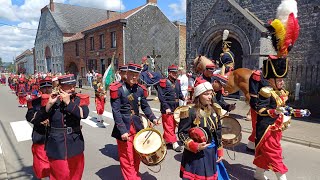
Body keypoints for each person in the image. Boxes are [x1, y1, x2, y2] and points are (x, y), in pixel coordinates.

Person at [110, 63, 159, 180]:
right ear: (126, 74)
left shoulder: (140, 89)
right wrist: (122, 130)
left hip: (137, 126)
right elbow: (116, 112)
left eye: (136, 74)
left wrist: (153, 118)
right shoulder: (118, 89)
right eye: (131, 74)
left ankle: (134, 175)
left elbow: (145, 106)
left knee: (137, 155)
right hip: (124, 128)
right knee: (127, 157)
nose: (134, 77)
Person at [35, 74, 89, 180]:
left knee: (76, 174)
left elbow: (84, 114)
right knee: (60, 175)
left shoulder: (79, 99)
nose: (72, 89)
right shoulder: (51, 99)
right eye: (68, 86)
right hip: (56, 144)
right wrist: (49, 104)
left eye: (73, 85)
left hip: (75, 142)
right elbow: (38, 119)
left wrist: (69, 103)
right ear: (60, 87)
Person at [178, 77, 225, 179]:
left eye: (210, 94)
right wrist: (195, 146)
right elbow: (182, 133)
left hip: (211, 152)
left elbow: (218, 131)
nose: (209, 97)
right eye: (206, 94)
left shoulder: (214, 110)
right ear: (198, 95)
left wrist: (220, 149)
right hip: (195, 155)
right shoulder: (189, 111)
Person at [254, 55, 289, 180]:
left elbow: (283, 108)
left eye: (282, 80)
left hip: (277, 128)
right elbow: (260, 110)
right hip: (266, 129)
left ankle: (258, 175)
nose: (282, 82)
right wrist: (275, 111)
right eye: (279, 80)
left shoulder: (281, 92)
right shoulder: (266, 91)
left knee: (266, 153)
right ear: (271, 80)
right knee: (274, 154)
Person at [25, 76, 52, 179]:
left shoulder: (57, 101)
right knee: (41, 166)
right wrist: (39, 121)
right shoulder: (35, 102)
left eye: (49, 87)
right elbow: (29, 116)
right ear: (40, 89)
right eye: (44, 88)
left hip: (55, 138)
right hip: (40, 136)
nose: (47, 90)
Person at [157, 64, 185, 152]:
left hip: (176, 107)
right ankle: (174, 143)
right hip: (167, 107)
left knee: (173, 125)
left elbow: (179, 93)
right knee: (169, 125)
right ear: (169, 73)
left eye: (176, 73)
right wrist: (166, 107)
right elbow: (161, 97)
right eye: (173, 73)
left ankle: (165, 140)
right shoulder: (163, 82)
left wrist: (183, 97)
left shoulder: (178, 82)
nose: (175, 74)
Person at [246, 69, 269, 152]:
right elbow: (253, 92)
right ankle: (255, 145)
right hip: (259, 105)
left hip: (269, 105)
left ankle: (252, 144)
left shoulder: (273, 76)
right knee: (258, 126)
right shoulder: (257, 75)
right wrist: (256, 106)